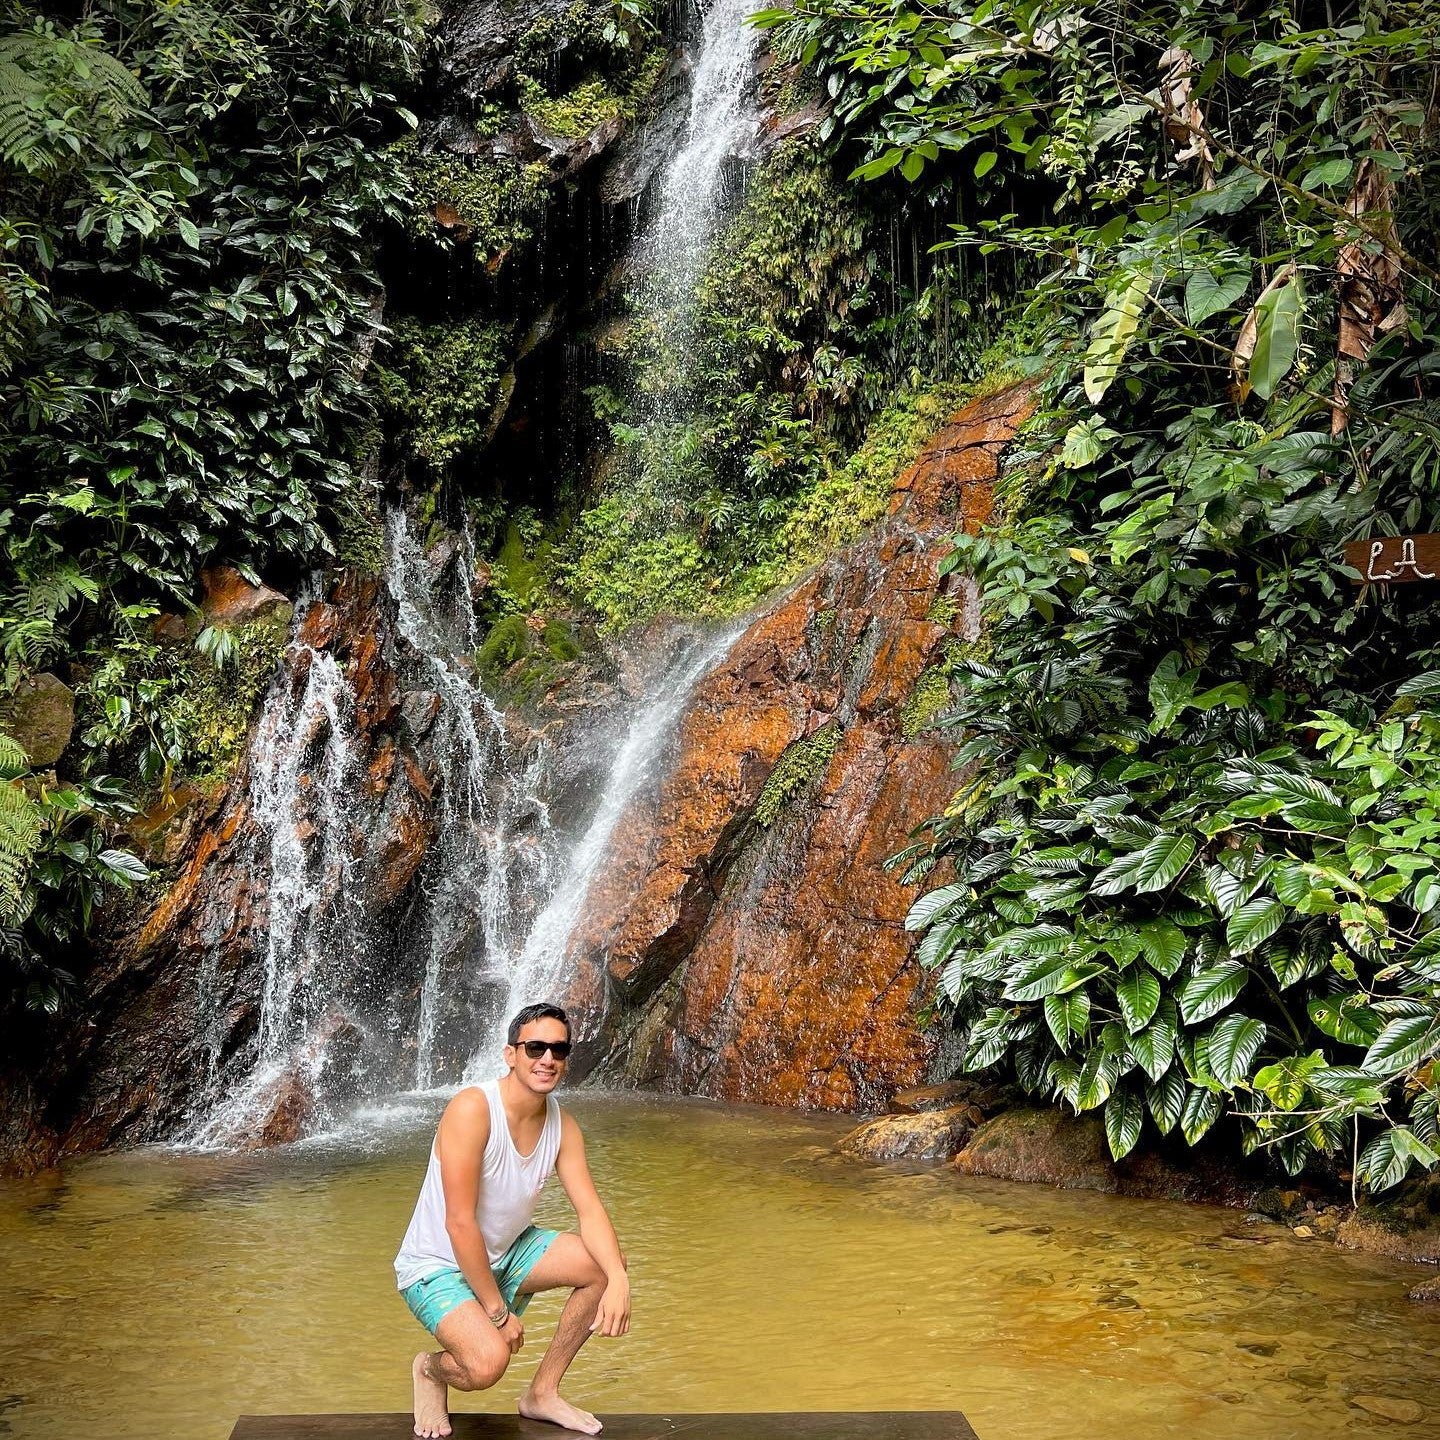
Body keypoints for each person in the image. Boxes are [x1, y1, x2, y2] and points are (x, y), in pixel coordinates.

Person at [395, 1002, 630, 1439]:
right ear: (510, 1054)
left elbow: (591, 1211)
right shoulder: (473, 1110)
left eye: (558, 1050)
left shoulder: (564, 1127)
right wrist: (498, 1314)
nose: (547, 1059)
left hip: (508, 1251)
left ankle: (543, 1393)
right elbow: (459, 1223)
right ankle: (430, 1370)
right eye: (536, 1047)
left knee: (601, 1263)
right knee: (486, 1365)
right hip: (438, 1265)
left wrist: (618, 1279)